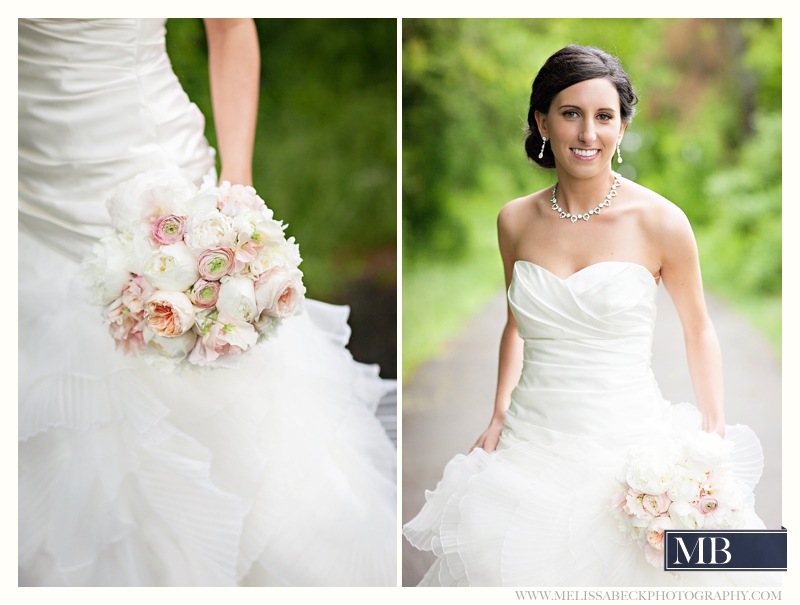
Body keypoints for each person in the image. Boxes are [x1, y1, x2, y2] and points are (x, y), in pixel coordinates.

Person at [18, 18, 396, 587]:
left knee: (201, 393)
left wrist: (235, 187)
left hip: (145, 165)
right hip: (26, 192)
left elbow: (230, 23)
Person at [403, 45, 778, 586]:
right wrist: (498, 412)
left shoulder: (662, 222)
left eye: (604, 117)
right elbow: (517, 323)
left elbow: (698, 328)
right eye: (570, 113)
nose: (587, 134)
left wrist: (712, 431)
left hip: (629, 444)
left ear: (622, 127)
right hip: (530, 445)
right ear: (542, 121)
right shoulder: (514, 221)